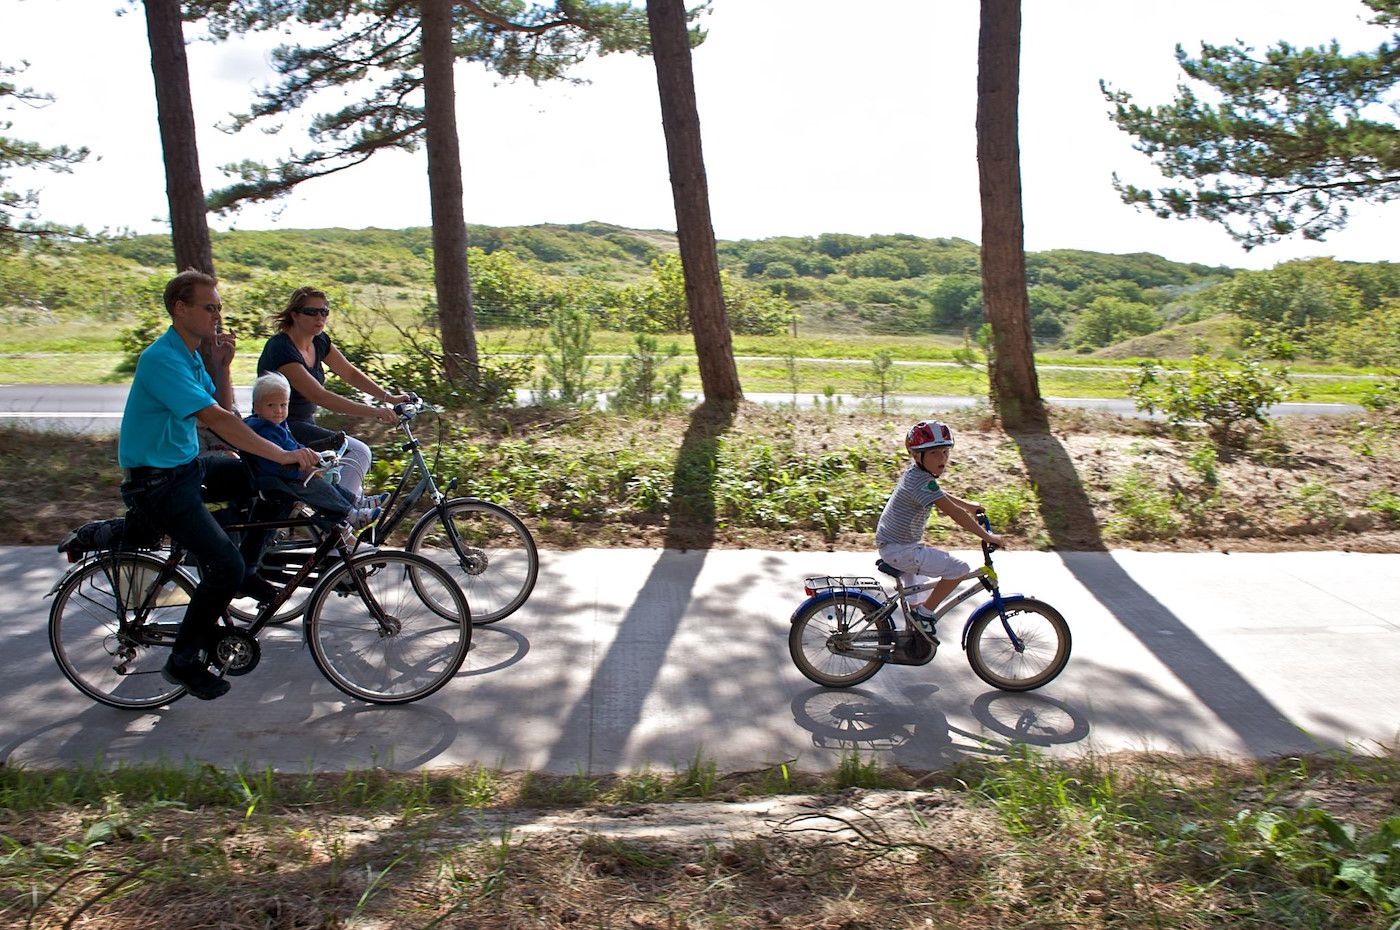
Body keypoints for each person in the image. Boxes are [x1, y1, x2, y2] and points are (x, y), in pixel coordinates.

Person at [120, 268, 320, 701]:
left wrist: (224, 366)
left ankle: (247, 565)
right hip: (158, 484)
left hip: (184, 467)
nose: (217, 314)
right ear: (180, 308)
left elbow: (223, 409)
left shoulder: (189, 353)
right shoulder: (162, 359)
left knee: (261, 481)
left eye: (219, 307)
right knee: (222, 566)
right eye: (209, 307)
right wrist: (284, 453)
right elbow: (216, 421)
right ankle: (184, 660)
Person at [256, 286, 408, 504]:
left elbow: (349, 373)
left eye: (324, 312)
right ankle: (345, 519)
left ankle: (339, 515)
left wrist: (389, 398)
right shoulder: (281, 348)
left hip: (304, 422)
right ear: (295, 314)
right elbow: (320, 396)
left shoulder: (319, 341)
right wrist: (376, 412)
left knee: (335, 471)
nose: (320, 317)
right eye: (312, 312)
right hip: (279, 426)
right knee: (357, 452)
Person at [874, 419, 1005, 633]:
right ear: (917, 455)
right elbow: (954, 514)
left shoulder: (917, 475)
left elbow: (940, 495)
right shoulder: (921, 481)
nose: (942, 459)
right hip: (902, 549)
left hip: (898, 545)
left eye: (945, 452)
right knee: (959, 569)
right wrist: (988, 537)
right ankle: (924, 615)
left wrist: (969, 505)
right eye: (934, 453)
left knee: (919, 597)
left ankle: (915, 635)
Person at [242, 372, 381, 528]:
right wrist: (302, 472)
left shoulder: (277, 425)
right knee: (318, 487)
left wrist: (309, 457)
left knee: (327, 481)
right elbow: (271, 464)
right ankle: (352, 515)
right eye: (271, 405)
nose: (278, 410)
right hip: (280, 479)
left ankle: (357, 501)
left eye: (283, 405)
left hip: (288, 473)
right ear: (256, 407)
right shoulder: (263, 430)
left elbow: (293, 445)